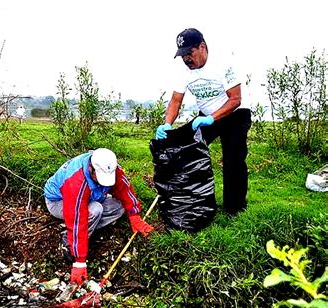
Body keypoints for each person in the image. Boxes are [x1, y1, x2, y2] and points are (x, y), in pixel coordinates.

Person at [155, 28, 251, 216]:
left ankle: (235, 208)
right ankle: (191, 199)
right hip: (206, 116)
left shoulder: (225, 64)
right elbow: (176, 100)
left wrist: (211, 118)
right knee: (185, 149)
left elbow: (235, 99)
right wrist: (167, 123)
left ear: (202, 47)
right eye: (182, 55)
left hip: (235, 114)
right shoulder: (183, 71)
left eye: (189, 53)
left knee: (233, 159)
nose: (186, 59)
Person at [43, 148, 154, 285]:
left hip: (91, 197)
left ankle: (88, 229)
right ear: (91, 169)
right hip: (59, 201)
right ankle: (68, 241)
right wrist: (79, 262)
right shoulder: (76, 180)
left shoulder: (110, 167)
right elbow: (77, 218)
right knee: (95, 210)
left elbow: (124, 189)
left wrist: (134, 216)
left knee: (119, 207)